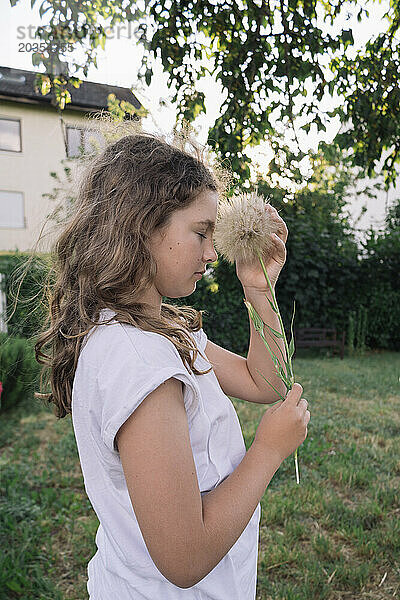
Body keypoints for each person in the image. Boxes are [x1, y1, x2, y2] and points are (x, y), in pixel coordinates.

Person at [35, 126, 310, 600]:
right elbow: (185, 558)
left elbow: (262, 380)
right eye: (201, 233)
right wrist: (268, 449)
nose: (210, 253)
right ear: (142, 224)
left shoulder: (160, 328)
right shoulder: (140, 362)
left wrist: (259, 290)